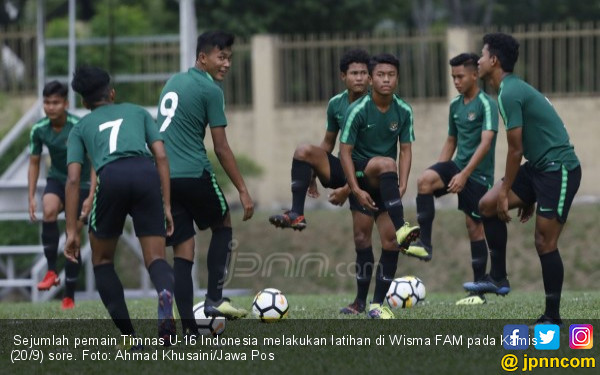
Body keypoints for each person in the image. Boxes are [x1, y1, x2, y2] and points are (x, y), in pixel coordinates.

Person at [464, 33, 581, 325]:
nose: (477, 60)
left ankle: (552, 316)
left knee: (544, 241)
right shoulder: (508, 90)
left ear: (494, 61)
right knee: (487, 205)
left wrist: (508, 192)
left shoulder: (509, 92)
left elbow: (515, 150)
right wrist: (518, 193)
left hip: (559, 169)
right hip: (539, 167)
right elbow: (521, 150)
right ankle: (498, 277)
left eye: (481, 55)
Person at [65, 66, 176, 346]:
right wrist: (166, 204)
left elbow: (73, 179)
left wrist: (71, 232)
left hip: (110, 177)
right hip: (145, 173)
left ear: (83, 102)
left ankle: (129, 337)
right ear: (112, 93)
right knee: (156, 259)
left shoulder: (79, 128)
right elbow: (161, 156)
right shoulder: (138, 112)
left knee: (102, 261)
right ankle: (164, 293)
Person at [156, 31, 254, 336]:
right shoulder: (211, 90)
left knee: (183, 251)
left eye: (229, 58)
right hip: (193, 172)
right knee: (223, 223)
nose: (226, 64)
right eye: (220, 57)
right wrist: (242, 189)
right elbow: (221, 147)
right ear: (203, 58)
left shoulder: (173, 82)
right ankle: (213, 299)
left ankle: (188, 328)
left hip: (164, 177)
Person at [268, 49, 375, 314]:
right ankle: (296, 213)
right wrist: (313, 173)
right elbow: (328, 143)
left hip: (369, 175)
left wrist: (347, 189)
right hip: (344, 168)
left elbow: (376, 158)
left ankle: (361, 302)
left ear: (370, 78)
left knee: (362, 239)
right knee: (305, 151)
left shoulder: (377, 105)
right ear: (343, 76)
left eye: (364, 73)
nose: (359, 78)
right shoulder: (336, 104)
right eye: (354, 73)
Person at [405, 53, 498, 305]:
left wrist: (464, 175)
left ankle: (478, 292)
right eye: (453, 77)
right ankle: (425, 243)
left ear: (474, 75)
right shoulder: (455, 106)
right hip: (457, 166)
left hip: (478, 174)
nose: (456, 81)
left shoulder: (487, 104)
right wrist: (442, 169)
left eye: (460, 76)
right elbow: (451, 140)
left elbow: (487, 142)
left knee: (473, 226)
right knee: (424, 180)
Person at [339, 53, 420, 319]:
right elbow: (345, 153)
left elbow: (406, 150)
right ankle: (358, 301)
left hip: (385, 182)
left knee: (390, 244)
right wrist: (354, 188)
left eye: (391, 75)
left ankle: (376, 304)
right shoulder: (357, 110)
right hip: (363, 175)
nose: (386, 79)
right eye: (381, 75)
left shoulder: (404, 110)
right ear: (372, 79)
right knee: (362, 239)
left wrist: (404, 183)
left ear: (397, 78)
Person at [28, 81, 94, 309]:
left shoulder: (79, 126)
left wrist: (91, 194)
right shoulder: (39, 129)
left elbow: (94, 161)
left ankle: (69, 295)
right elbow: (34, 163)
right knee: (48, 209)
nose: (50, 107)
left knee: (72, 235)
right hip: (57, 179)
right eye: (46, 102)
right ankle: (51, 271)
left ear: (66, 104)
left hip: (81, 183)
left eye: (55, 102)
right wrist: (30, 196)